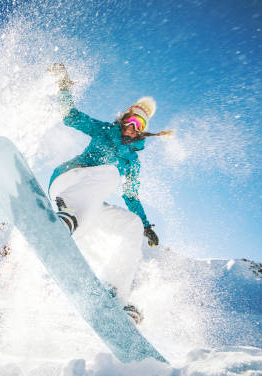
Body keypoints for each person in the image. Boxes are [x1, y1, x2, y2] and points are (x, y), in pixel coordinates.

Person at [47, 63, 172, 323]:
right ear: (122, 119)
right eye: (128, 119)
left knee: (131, 224)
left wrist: (146, 225)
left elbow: (131, 196)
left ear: (143, 130)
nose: (130, 126)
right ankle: (69, 217)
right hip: (67, 185)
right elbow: (71, 117)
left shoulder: (132, 162)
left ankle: (117, 295)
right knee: (110, 173)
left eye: (137, 123)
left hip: (88, 207)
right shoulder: (104, 130)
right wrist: (63, 86)